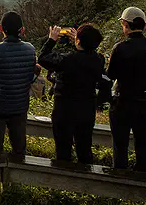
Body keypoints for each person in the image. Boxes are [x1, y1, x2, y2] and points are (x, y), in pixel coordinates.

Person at [107, 6, 146, 172]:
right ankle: (143, 179)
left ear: (125, 24)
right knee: (142, 142)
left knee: (120, 143)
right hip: (145, 104)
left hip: (122, 103)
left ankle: (120, 179)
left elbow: (111, 75)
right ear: (145, 25)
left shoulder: (120, 48)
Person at [38, 24, 106, 164]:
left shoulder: (67, 60)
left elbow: (43, 58)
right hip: (87, 110)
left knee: (63, 150)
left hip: (65, 110)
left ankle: (64, 181)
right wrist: (80, 39)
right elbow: (89, 51)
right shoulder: (99, 59)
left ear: (78, 41)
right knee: (84, 148)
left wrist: (52, 39)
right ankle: (86, 180)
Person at [0, 11, 36, 156]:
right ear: (22, 30)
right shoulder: (30, 49)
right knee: (19, 149)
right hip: (19, 106)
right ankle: (18, 177)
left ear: (1, 28)